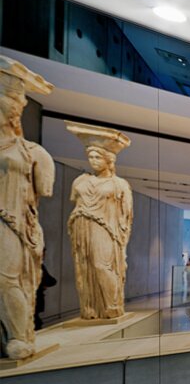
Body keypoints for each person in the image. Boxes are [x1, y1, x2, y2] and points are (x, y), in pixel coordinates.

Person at [0, 55, 54, 360]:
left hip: (12, 220)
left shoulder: (29, 152)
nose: (18, 104)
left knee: (7, 277)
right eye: (12, 96)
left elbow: (40, 192)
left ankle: (19, 336)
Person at [67, 122, 133, 320]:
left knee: (101, 265)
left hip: (106, 230)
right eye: (91, 156)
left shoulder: (119, 184)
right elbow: (75, 202)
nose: (93, 160)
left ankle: (112, 305)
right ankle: (91, 308)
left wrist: (122, 238)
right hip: (81, 227)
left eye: (98, 157)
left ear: (108, 159)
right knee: (84, 266)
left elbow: (126, 215)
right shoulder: (80, 181)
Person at [34, 259, 57, 331]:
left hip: (34, 298)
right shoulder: (37, 265)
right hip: (35, 298)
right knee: (34, 322)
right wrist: (42, 284)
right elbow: (50, 281)